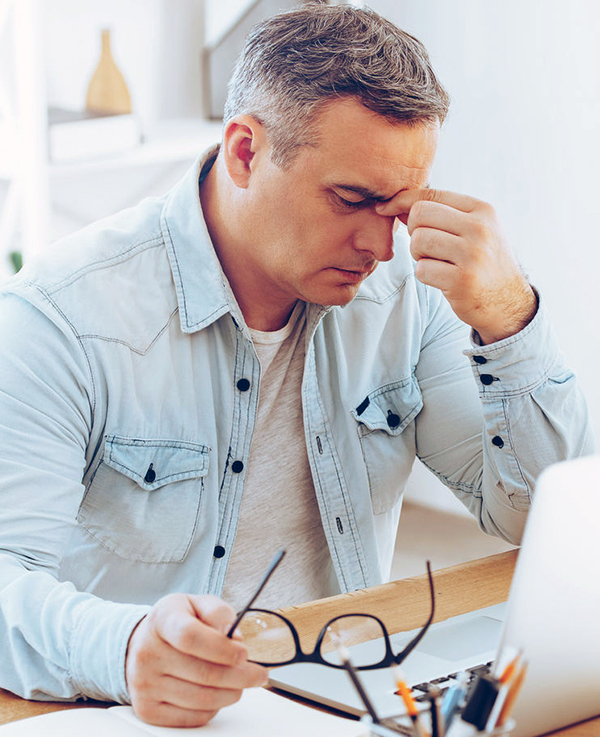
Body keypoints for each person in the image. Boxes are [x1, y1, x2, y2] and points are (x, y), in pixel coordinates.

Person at [0, 2, 593, 729]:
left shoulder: (405, 292)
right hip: (143, 713)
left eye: (401, 209)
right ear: (246, 150)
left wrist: (509, 318)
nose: (381, 244)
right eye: (352, 199)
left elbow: (532, 515)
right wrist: (122, 646)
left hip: (350, 702)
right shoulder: (59, 316)